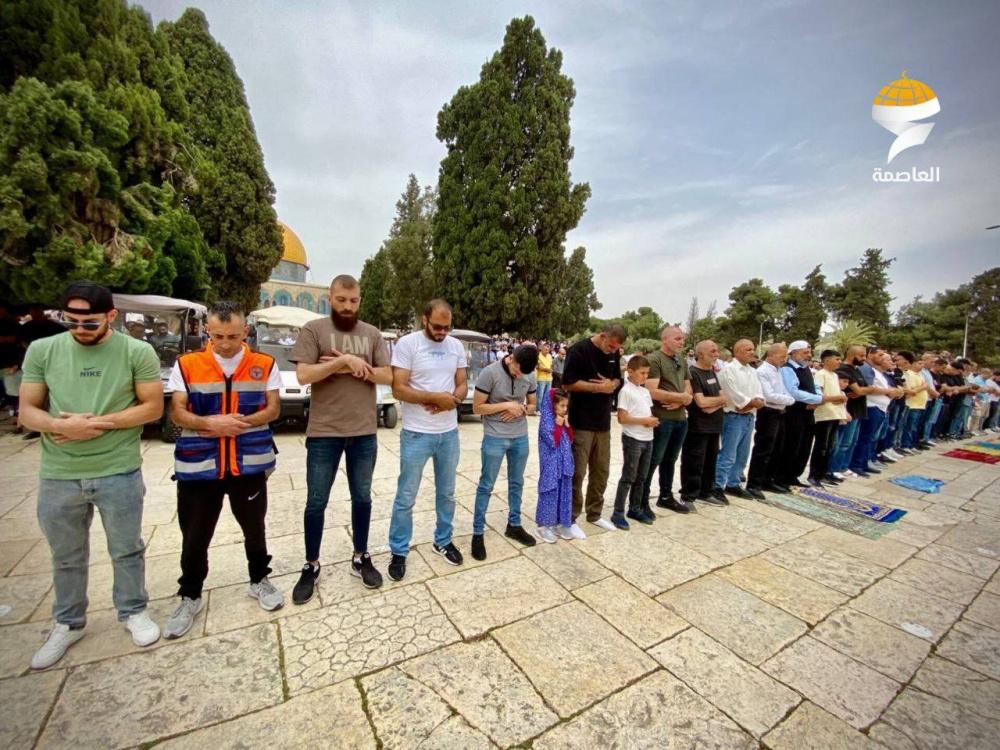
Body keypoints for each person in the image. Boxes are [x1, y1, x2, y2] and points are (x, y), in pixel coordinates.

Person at [18, 280, 164, 669]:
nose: (80, 329)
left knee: (126, 547)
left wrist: (98, 424)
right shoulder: (43, 350)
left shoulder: (136, 351)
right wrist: (59, 425)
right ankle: (68, 622)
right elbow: (27, 410)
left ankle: (133, 610)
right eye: (72, 321)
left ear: (110, 316)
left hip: (117, 468)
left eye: (89, 322)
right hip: (60, 472)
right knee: (66, 553)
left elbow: (152, 407)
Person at [162, 302, 284, 638]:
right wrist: (211, 424)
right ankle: (190, 594)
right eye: (217, 336)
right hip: (200, 466)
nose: (225, 343)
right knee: (195, 534)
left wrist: (236, 424)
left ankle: (259, 579)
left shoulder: (263, 364)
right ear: (207, 331)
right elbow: (177, 412)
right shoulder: (187, 365)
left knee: (254, 528)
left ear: (245, 331)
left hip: (248, 464)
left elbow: (273, 408)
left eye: (232, 336)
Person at [289, 275, 393, 602]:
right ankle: (311, 564)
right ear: (330, 299)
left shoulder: (372, 334)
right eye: (341, 300)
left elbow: (387, 375)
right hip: (324, 432)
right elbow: (304, 374)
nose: (348, 306)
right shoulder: (314, 330)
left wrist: (344, 366)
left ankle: (360, 556)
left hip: (363, 432)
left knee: (362, 498)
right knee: (316, 501)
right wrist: (344, 361)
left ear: (360, 300)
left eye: (353, 301)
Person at [386, 299, 468, 580]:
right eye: (437, 327)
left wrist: (452, 400)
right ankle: (399, 550)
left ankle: (443, 540)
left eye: (447, 327)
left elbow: (462, 383)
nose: (442, 332)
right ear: (424, 320)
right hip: (417, 433)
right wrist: (435, 397)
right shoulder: (408, 345)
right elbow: (398, 389)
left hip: (448, 433)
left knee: (447, 493)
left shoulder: (455, 346)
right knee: (406, 495)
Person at [470, 344, 539, 559]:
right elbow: (477, 408)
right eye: (517, 371)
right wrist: (506, 405)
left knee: (517, 482)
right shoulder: (489, 373)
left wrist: (522, 409)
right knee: (486, 484)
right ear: (511, 358)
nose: (519, 376)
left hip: (520, 436)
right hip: (495, 437)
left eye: (523, 374)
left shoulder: (529, 374)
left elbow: (533, 404)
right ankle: (478, 532)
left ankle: (514, 524)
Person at [561, 324, 626, 535]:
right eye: (611, 346)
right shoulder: (579, 350)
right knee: (577, 472)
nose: (613, 350)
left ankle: (595, 513)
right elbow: (568, 383)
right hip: (582, 421)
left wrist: (612, 384)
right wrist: (598, 387)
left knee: (601, 471)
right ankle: (570, 518)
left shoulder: (613, 353)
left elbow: (617, 379)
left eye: (616, 348)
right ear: (603, 336)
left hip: (603, 422)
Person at [642, 326, 694, 514]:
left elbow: (688, 388)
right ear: (665, 339)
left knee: (670, 460)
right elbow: (651, 391)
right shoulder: (654, 359)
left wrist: (681, 400)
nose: (682, 342)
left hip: (680, 418)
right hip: (662, 419)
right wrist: (682, 398)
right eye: (677, 338)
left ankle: (665, 496)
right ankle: (641, 499)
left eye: (683, 339)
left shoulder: (682, 360)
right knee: (654, 459)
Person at [714, 339, 765, 501]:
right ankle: (717, 485)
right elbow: (733, 395)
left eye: (752, 349)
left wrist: (752, 404)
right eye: (747, 349)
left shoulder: (752, 371)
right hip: (733, 417)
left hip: (748, 416)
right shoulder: (728, 370)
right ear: (737, 352)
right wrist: (749, 403)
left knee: (742, 453)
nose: (752, 352)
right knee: (728, 453)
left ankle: (733, 483)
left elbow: (759, 394)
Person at [612, 355, 659, 528]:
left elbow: (647, 411)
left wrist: (652, 420)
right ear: (630, 372)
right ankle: (618, 512)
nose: (645, 376)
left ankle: (635, 508)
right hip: (633, 438)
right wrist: (644, 421)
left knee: (642, 477)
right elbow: (622, 418)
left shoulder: (644, 391)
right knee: (629, 477)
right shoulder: (626, 391)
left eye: (647, 373)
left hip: (648, 438)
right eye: (642, 373)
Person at [680, 340, 727, 506]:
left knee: (710, 461)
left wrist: (715, 403)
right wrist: (719, 401)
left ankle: (706, 492)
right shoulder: (693, 373)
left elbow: (724, 398)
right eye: (712, 351)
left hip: (714, 425)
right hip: (698, 427)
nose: (716, 354)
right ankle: (688, 495)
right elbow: (701, 402)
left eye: (717, 351)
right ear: (700, 354)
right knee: (694, 462)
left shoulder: (711, 372)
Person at [746, 343, 794, 500]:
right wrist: (789, 400)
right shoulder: (763, 371)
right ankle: (754, 484)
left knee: (777, 448)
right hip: (768, 413)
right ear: (771, 355)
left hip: (780, 412)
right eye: (782, 356)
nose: (784, 359)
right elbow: (769, 396)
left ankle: (767, 480)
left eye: (785, 356)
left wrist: (787, 399)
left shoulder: (778, 370)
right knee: (763, 449)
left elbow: (784, 391)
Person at [776, 341, 824, 490]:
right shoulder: (787, 369)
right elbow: (793, 392)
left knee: (804, 446)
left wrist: (818, 398)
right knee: (791, 445)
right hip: (793, 414)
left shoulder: (806, 369)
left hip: (808, 414)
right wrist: (817, 399)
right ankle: (782, 477)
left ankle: (793, 475)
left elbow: (815, 387)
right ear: (794, 353)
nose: (809, 355)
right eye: (805, 352)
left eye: (809, 352)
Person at [829, 345, 875, 478]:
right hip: (848, 410)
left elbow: (865, 388)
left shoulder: (856, 370)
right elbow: (859, 390)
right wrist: (865, 390)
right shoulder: (844, 369)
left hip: (858, 410)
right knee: (842, 442)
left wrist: (866, 390)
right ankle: (834, 468)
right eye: (861, 355)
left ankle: (844, 466)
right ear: (852, 355)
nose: (864, 358)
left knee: (851, 442)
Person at [536, 389, 574, 543]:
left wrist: (566, 425)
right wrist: (558, 426)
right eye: (562, 406)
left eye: (566, 406)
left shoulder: (562, 419)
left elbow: (570, 439)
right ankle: (544, 526)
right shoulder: (546, 422)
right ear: (553, 405)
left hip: (564, 465)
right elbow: (553, 442)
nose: (565, 409)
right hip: (551, 466)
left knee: (564, 492)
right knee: (550, 492)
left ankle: (559, 523)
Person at [809, 350, 850, 487]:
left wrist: (840, 399)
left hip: (834, 414)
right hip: (824, 414)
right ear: (826, 360)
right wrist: (837, 398)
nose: (839, 362)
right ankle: (814, 475)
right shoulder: (821, 374)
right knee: (821, 446)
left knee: (830, 446)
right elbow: (819, 395)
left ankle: (823, 473)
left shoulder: (834, 375)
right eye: (836, 359)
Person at [896, 350, 930, 451]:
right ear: (913, 363)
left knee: (914, 427)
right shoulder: (908, 374)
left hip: (920, 405)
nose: (922, 366)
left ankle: (911, 444)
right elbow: (911, 391)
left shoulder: (919, 374)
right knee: (907, 426)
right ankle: (904, 445)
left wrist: (922, 387)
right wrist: (923, 387)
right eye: (919, 363)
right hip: (911, 404)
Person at [535, 342, 553, 408]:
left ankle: (544, 408)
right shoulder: (538, 356)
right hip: (541, 378)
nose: (547, 351)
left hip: (549, 378)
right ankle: (538, 409)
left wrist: (550, 369)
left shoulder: (550, 356)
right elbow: (537, 367)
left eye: (548, 350)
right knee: (540, 395)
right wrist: (547, 370)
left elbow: (551, 365)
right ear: (542, 349)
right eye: (545, 349)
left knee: (547, 396)